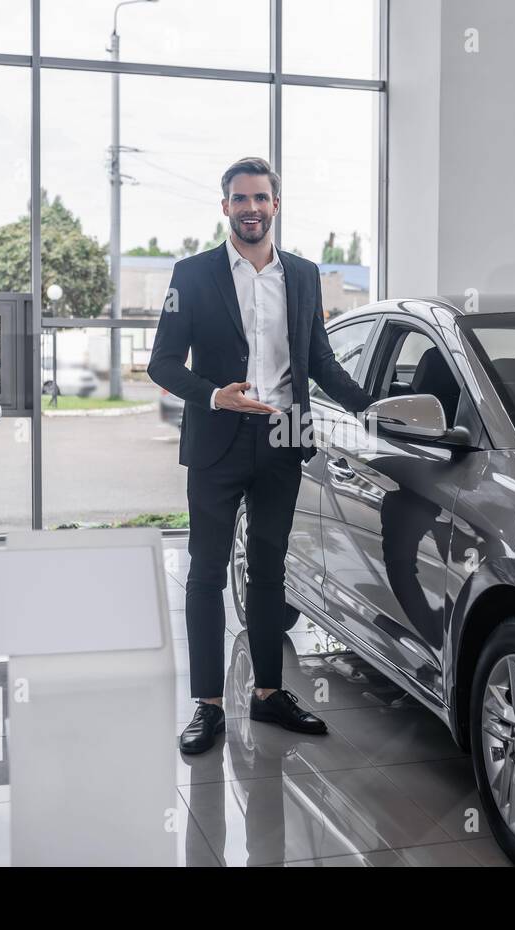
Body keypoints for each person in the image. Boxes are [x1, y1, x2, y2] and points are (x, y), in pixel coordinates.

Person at [148, 156, 371, 754]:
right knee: (205, 572)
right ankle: (208, 705)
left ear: (276, 205)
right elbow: (162, 362)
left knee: (270, 570)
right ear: (225, 207)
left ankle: (269, 694)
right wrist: (214, 395)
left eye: (261, 199)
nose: (251, 209)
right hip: (217, 438)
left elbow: (319, 361)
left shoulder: (301, 275)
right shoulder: (191, 275)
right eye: (240, 199)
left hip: (281, 436)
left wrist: (370, 406)